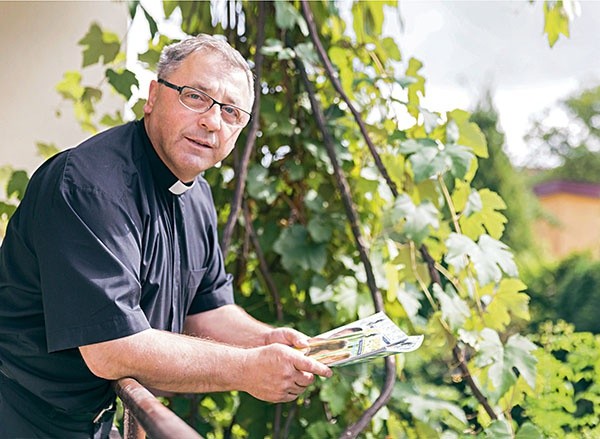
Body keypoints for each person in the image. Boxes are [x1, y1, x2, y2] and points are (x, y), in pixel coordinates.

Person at [0, 34, 332, 438]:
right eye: (196, 96)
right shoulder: (91, 184)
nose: (212, 121)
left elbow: (207, 309)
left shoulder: (198, 197)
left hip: (97, 421)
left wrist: (264, 339)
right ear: (153, 95)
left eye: (231, 112)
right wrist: (247, 369)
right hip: (21, 414)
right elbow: (112, 348)